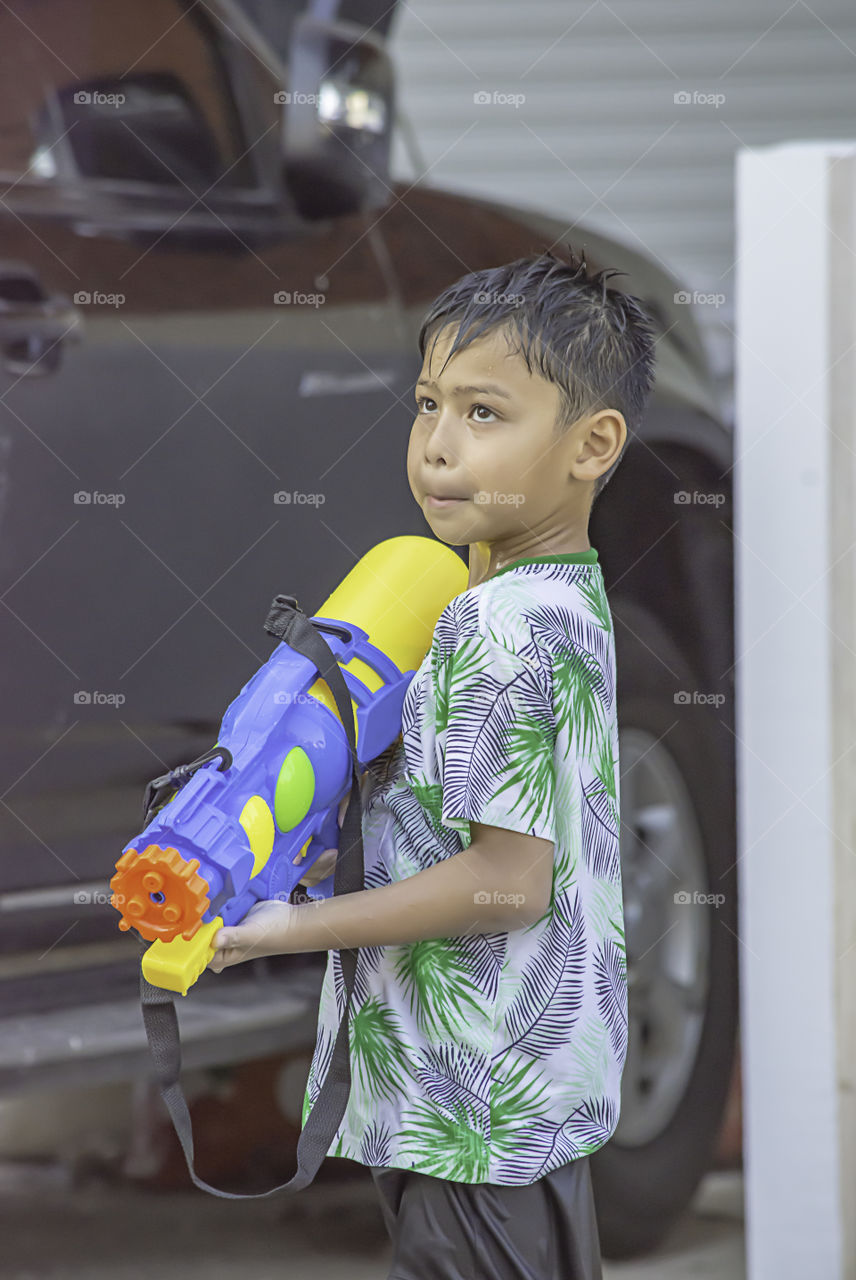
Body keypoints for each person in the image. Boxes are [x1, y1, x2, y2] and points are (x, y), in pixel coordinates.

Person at [208, 244, 657, 1279]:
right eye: (426, 405)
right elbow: (463, 835)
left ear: (593, 444)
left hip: (472, 1111)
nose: (438, 448)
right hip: (515, 1100)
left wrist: (288, 927)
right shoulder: (562, 599)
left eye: (484, 414)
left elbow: (505, 882)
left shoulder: (496, 627)